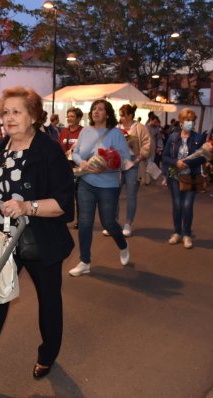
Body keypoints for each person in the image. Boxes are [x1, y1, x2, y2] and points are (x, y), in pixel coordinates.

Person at [0, 86, 74, 390]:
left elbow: (63, 204)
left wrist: (26, 207)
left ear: (32, 115)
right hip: (1, 242)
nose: (9, 118)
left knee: (48, 300)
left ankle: (48, 353)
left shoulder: (49, 150)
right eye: (5, 112)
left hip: (40, 240)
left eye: (16, 111)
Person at [68, 99, 131, 277]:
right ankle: (85, 261)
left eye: (101, 109)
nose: (96, 112)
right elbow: (76, 153)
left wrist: (108, 164)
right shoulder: (85, 131)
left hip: (108, 185)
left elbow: (124, 158)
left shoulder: (116, 133)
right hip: (86, 182)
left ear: (108, 114)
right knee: (85, 223)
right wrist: (83, 163)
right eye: (94, 109)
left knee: (109, 223)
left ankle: (123, 245)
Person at [162, 108, 206, 249]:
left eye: (192, 121)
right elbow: (165, 156)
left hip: (191, 176)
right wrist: (176, 163)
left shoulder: (198, 138)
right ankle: (177, 232)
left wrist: (187, 163)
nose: (190, 123)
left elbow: (202, 158)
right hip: (175, 177)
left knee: (187, 206)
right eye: (187, 120)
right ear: (181, 122)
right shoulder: (173, 137)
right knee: (177, 205)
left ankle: (186, 234)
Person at [116, 104, 152, 237]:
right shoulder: (117, 128)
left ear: (130, 115)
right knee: (114, 194)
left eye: (122, 115)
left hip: (134, 163)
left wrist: (140, 156)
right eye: (120, 115)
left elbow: (147, 144)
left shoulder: (140, 128)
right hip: (118, 164)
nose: (121, 118)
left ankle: (128, 223)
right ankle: (114, 222)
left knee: (131, 194)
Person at [58, 106, 84, 228]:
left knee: (79, 196)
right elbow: (58, 147)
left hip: (79, 169)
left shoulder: (84, 132)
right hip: (65, 168)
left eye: (72, 116)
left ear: (79, 118)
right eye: (68, 116)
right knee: (65, 195)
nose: (69, 118)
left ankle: (80, 220)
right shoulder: (64, 131)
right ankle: (65, 218)